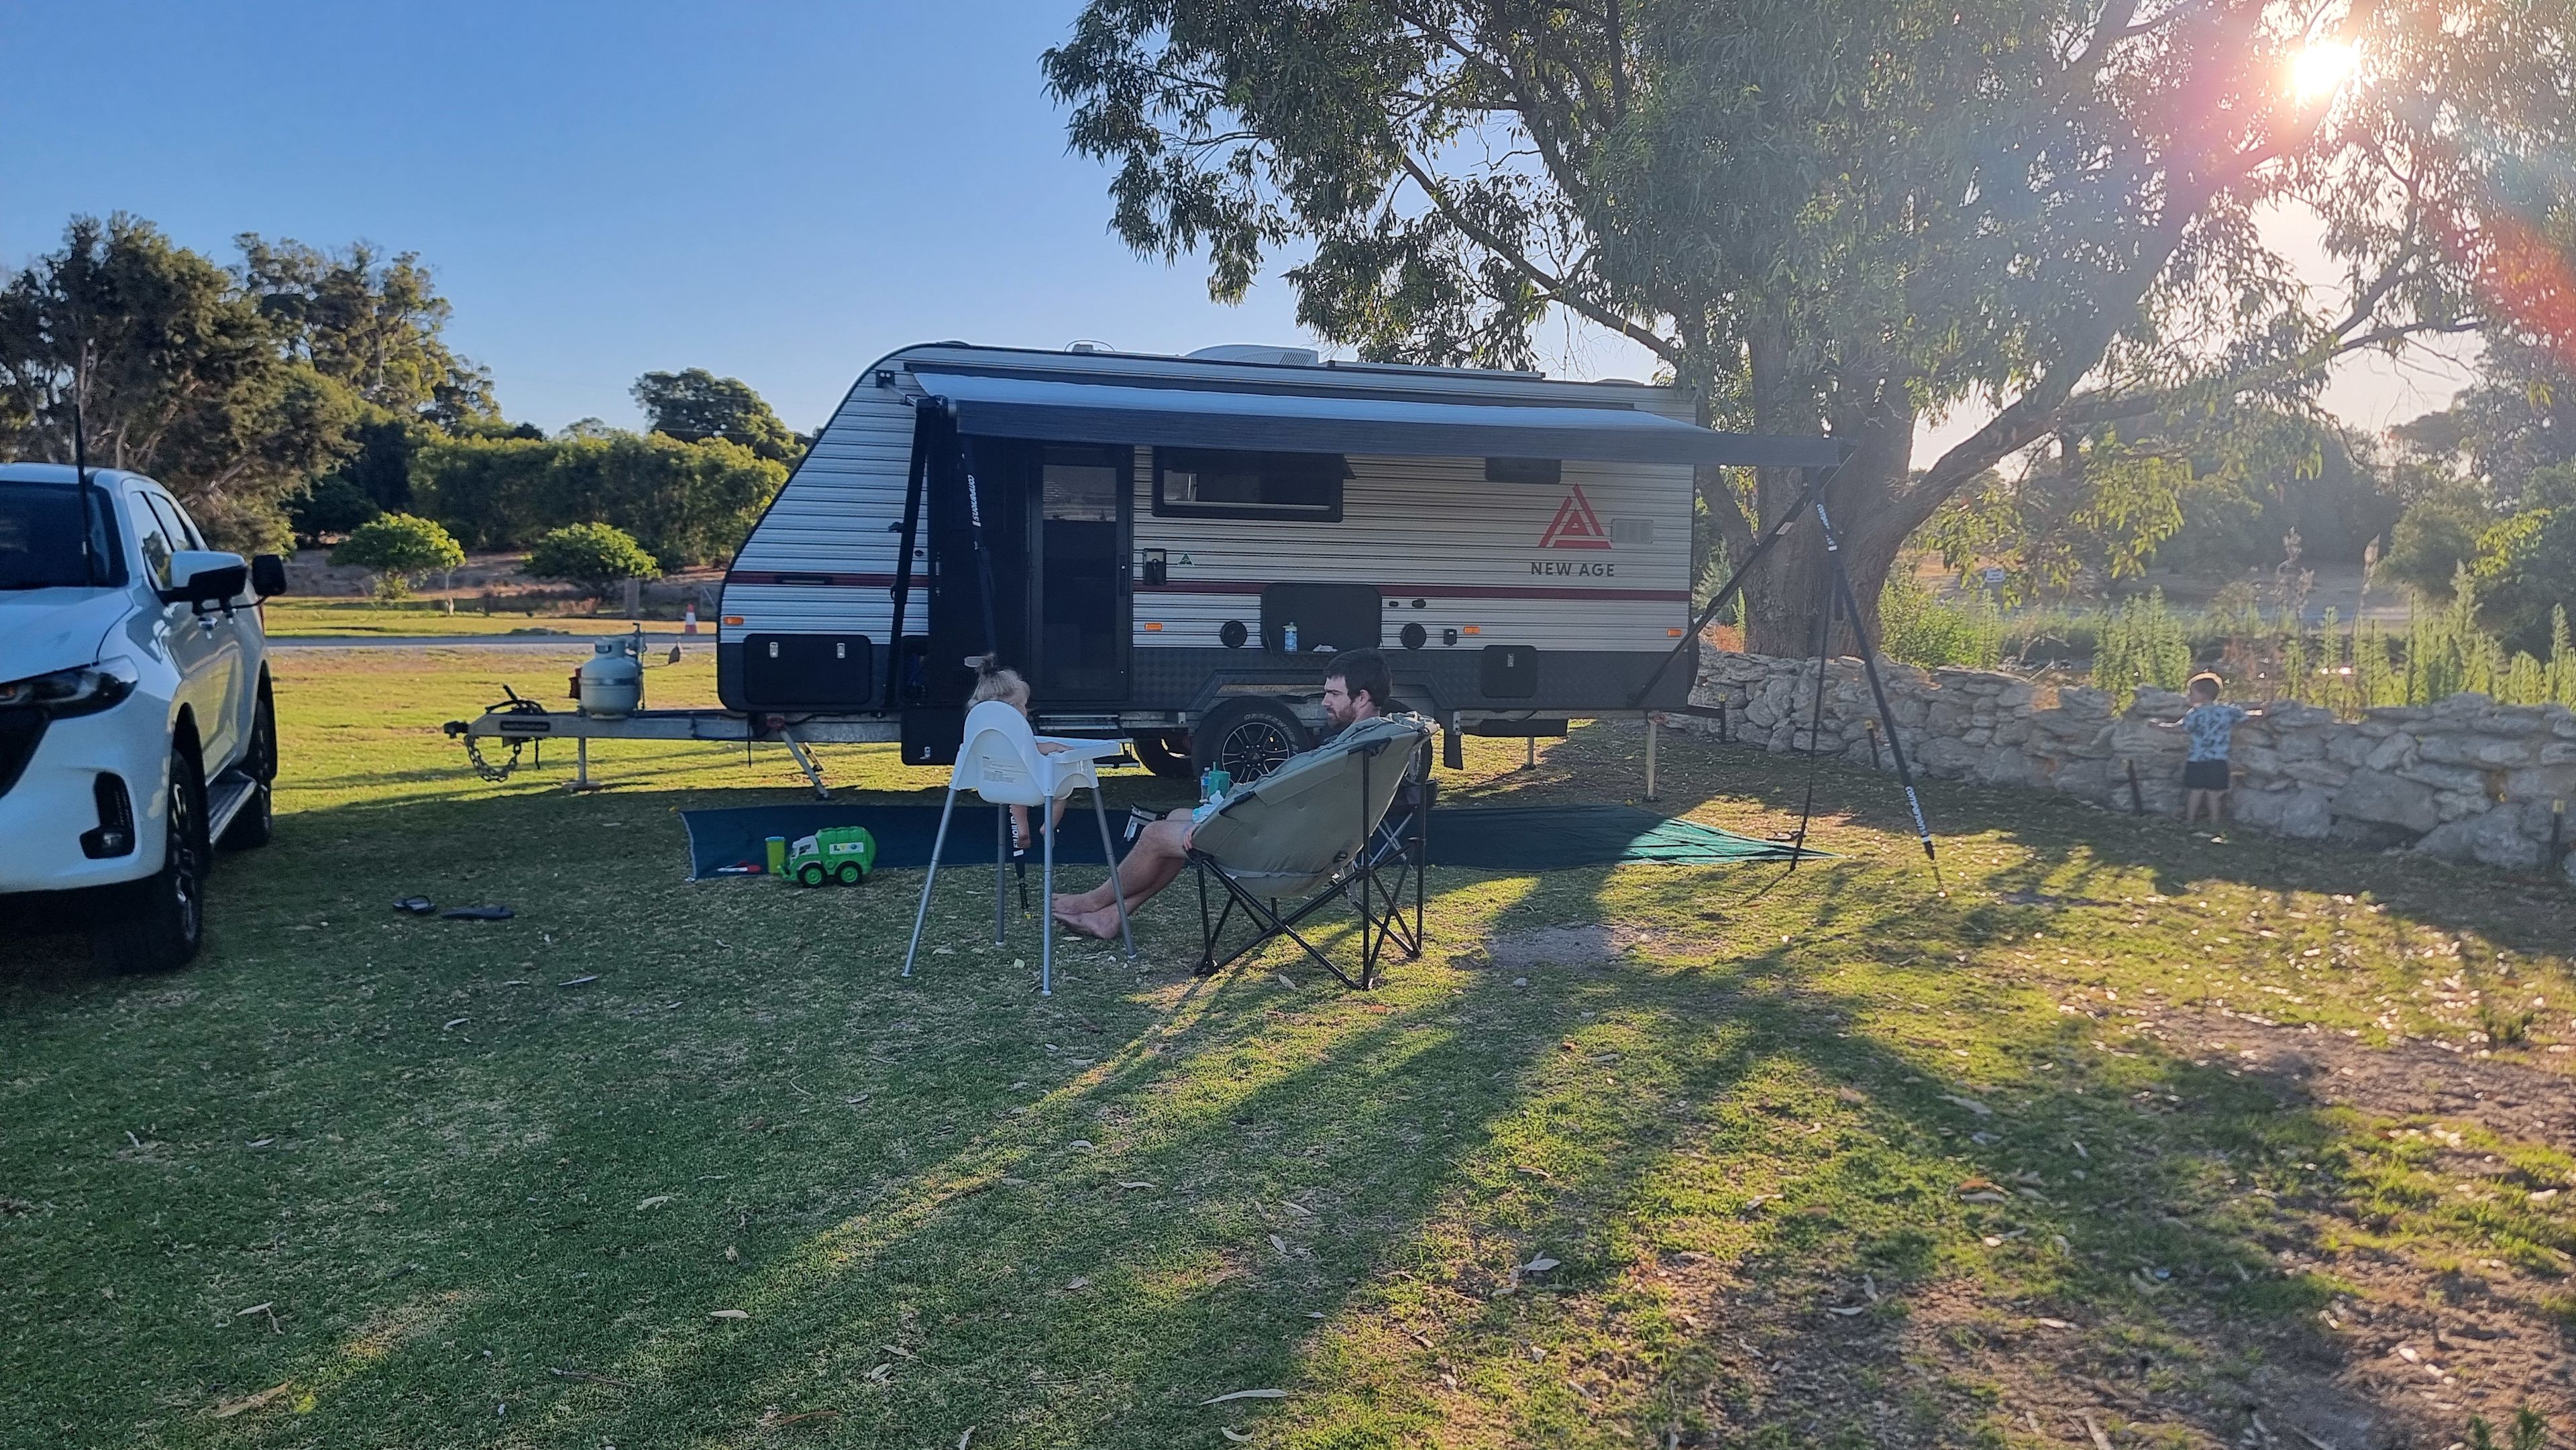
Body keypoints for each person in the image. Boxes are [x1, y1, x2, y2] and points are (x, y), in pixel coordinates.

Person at [1051, 649, 1393, 940]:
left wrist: (1216, 820)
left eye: (1333, 694)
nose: (1324, 702)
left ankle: (1093, 902)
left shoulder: (1343, 753)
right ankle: (1112, 917)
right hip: (1316, 850)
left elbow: (1276, 800)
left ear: (1361, 697)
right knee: (1176, 818)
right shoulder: (1378, 742)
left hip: (1287, 859)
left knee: (1156, 834)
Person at [966, 662, 1063, 850]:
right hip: (1033, 783)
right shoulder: (1017, 729)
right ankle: (1047, 827)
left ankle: (1022, 829)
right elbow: (1033, 748)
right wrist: (1056, 746)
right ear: (1013, 707)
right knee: (1062, 792)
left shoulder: (984, 730)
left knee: (1017, 799)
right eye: (1024, 705)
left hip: (996, 784)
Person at [2156, 671, 2263, 826]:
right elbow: (2248, 717)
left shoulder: (2194, 714)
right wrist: (2263, 713)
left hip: (2197, 760)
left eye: (2191, 693)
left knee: (2196, 791)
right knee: (2214, 794)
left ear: (2201, 694)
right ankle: (2215, 822)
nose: (2189, 696)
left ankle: (2190, 820)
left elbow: (2178, 728)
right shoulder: (2227, 712)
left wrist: (2159, 726)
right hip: (2218, 760)